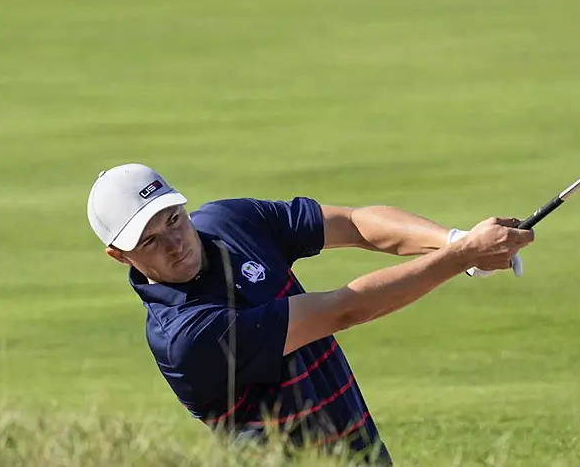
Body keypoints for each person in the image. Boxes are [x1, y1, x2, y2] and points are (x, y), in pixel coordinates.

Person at [86, 162, 535, 464]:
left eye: (174, 219)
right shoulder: (186, 335)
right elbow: (343, 309)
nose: (176, 242)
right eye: (149, 241)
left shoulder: (227, 223)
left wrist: (455, 241)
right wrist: (461, 258)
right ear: (118, 255)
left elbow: (354, 224)